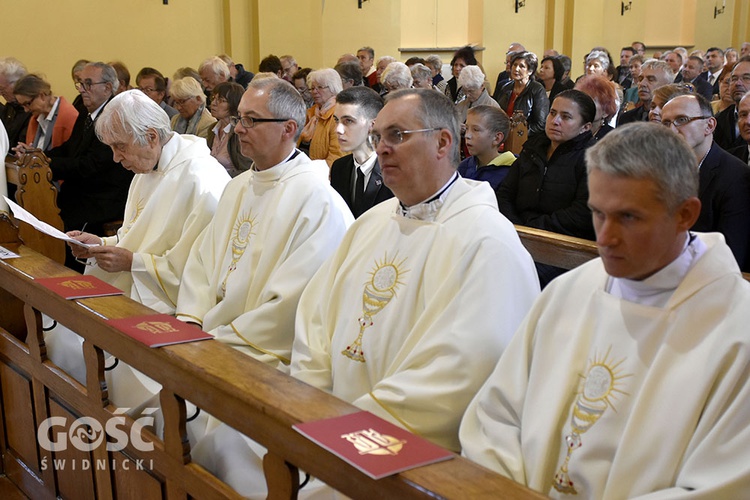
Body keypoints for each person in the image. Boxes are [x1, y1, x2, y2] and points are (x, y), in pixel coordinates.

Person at [460, 121, 750, 498]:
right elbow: (494, 416)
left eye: (628, 217)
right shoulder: (570, 291)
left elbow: (721, 486)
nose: (605, 238)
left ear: (685, 214)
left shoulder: (736, 329)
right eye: (598, 213)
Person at [292, 88, 539, 461]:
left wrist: (352, 422)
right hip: (326, 419)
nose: (381, 148)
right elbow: (315, 318)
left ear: (442, 142)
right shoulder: (372, 222)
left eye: (397, 136)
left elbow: (463, 371)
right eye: (378, 137)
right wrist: (315, 402)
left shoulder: (487, 242)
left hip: (408, 451)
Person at [177, 77, 353, 496]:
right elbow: (202, 264)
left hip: (266, 357)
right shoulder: (238, 186)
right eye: (239, 118)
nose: (238, 128)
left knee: (215, 439)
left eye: (251, 120)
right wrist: (190, 321)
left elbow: (294, 304)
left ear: (289, 129)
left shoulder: (317, 201)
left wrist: (216, 341)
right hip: (213, 338)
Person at [49, 89, 231, 385]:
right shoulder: (147, 169)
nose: (115, 158)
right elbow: (134, 235)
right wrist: (101, 245)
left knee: (85, 350)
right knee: (58, 330)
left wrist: (132, 262)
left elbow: (203, 274)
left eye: (119, 146)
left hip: (169, 306)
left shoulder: (201, 180)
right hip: (137, 287)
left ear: (150, 136)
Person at [496, 89, 596, 286]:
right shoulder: (533, 148)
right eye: (552, 113)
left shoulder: (592, 158)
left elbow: (582, 213)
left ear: (585, 127)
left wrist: (534, 230)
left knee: (513, 276)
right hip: (518, 235)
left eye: (566, 117)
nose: (555, 120)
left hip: (562, 247)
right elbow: (505, 193)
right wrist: (515, 228)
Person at [45, 62, 134, 270]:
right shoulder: (88, 113)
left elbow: (91, 165)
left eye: (88, 83)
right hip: (82, 192)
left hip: (102, 197)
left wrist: (49, 166)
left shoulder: (113, 117)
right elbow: (70, 149)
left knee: (68, 224)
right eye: (80, 84)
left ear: (108, 87)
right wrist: (41, 157)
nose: (82, 89)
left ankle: (75, 279)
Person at [661, 93, 750, 271]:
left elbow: (730, 255)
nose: (671, 130)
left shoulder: (735, 176)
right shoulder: (659, 170)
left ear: (709, 125)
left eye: (682, 119)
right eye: (666, 123)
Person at [330, 86, 393, 218]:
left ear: (373, 125)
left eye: (348, 121)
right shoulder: (338, 168)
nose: (338, 129)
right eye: (336, 120)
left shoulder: (393, 170)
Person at [12, 74, 78, 152]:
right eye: (22, 106)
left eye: (27, 104)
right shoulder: (36, 118)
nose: (26, 110)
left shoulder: (69, 117)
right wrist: (27, 154)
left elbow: (68, 156)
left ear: (42, 96)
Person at [459, 105, 516, 190]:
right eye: (467, 128)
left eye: (476, 130)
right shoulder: (464, 166)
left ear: (497, 138)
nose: (467, 135)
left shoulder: (512, 172)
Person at [494, 51, 549, 137]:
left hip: (526, 139)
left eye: (522, 66)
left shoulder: (537, 90)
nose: (516, 69)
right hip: (502, 135)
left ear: (530, 71)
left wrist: (519, 133)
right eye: (515, 65)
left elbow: (540, 124)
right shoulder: (506, 87)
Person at [297, 68, 343, 166]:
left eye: (320, 87)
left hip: (323, 174)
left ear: (333, 88)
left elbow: (337, 156)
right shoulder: (310, 113)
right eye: (312, 88)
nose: (314, 91)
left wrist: (314, 173)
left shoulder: (338, 116)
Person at [207, 81, 252, 177]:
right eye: (214, 98)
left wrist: (218, 176)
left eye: (221, 100)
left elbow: (247, 170)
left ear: (234, 104)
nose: (213, 103)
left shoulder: (239, 132)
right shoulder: (212, 129)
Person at [574, 75, 618, 140]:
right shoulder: (570, 131)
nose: (583, 104)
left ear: (605, 111)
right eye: (581, 100)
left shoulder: (614, 138)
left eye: (591, 100)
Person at [0, 57, 31, 146]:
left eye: (1, 89)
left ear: (16, 84)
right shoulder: (10, 106)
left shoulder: (32, 109)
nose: (0, 94)